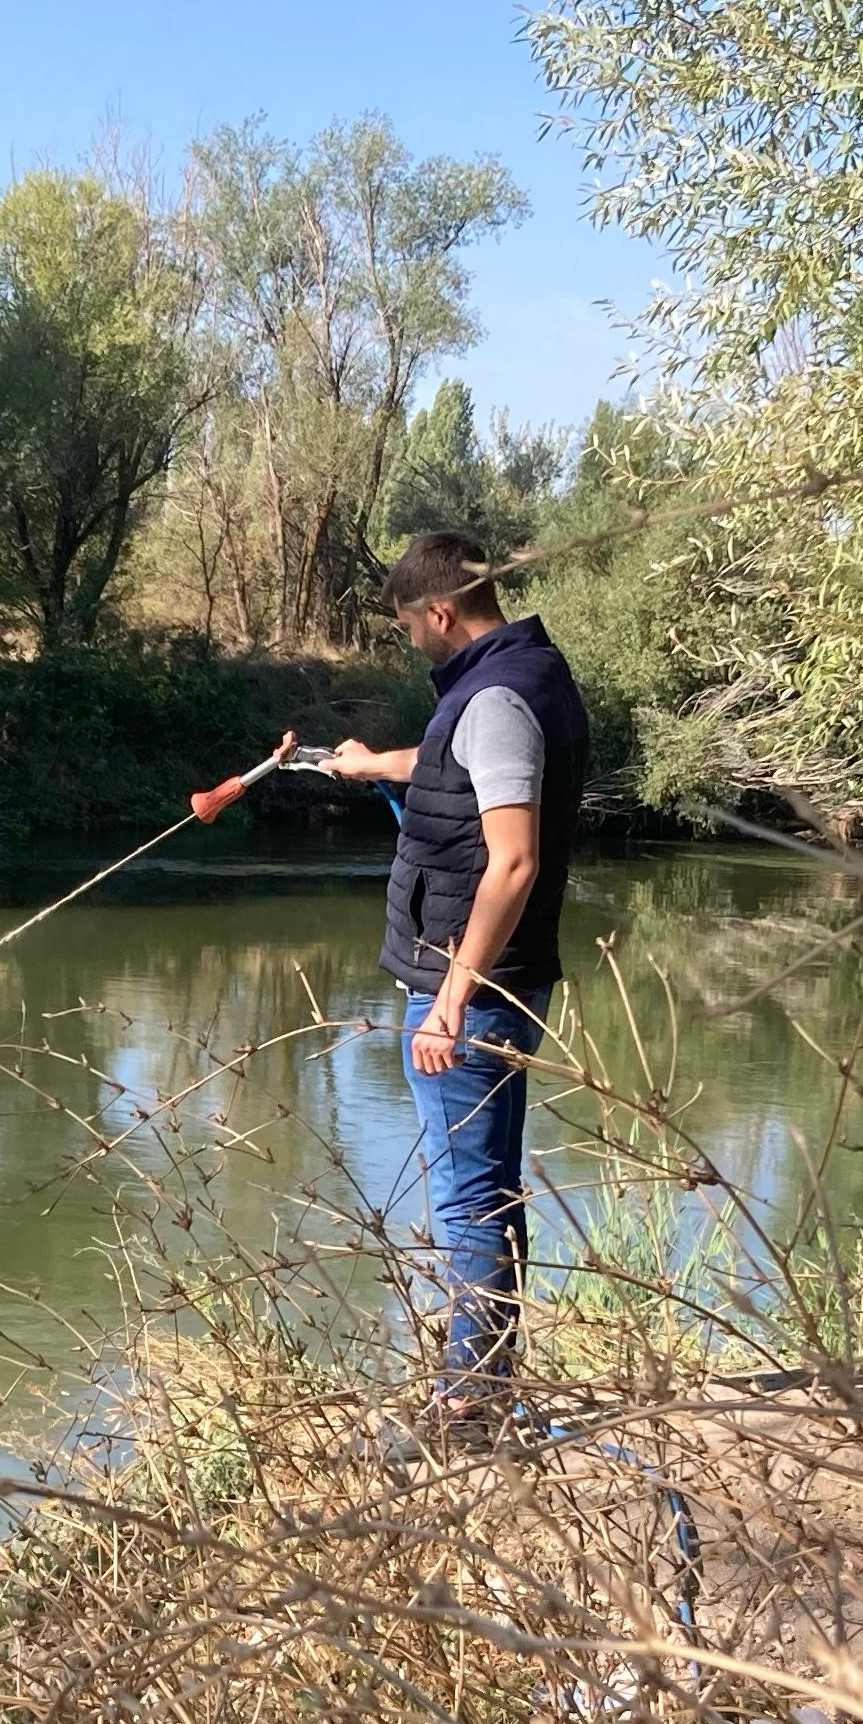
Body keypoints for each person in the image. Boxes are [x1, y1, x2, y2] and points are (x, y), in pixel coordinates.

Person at [306, 532, 592, 1412]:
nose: (411, 644)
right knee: (489, 1187)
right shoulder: (520, 675)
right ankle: (489, 1382)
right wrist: (368, 764)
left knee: (470, 1199)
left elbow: (512, 861)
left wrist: (452, 1002)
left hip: (471, 987)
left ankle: (469, 1403)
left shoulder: (498, 696)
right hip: (486, 979)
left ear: (441, 612)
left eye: (408, 629)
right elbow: (466, 769)